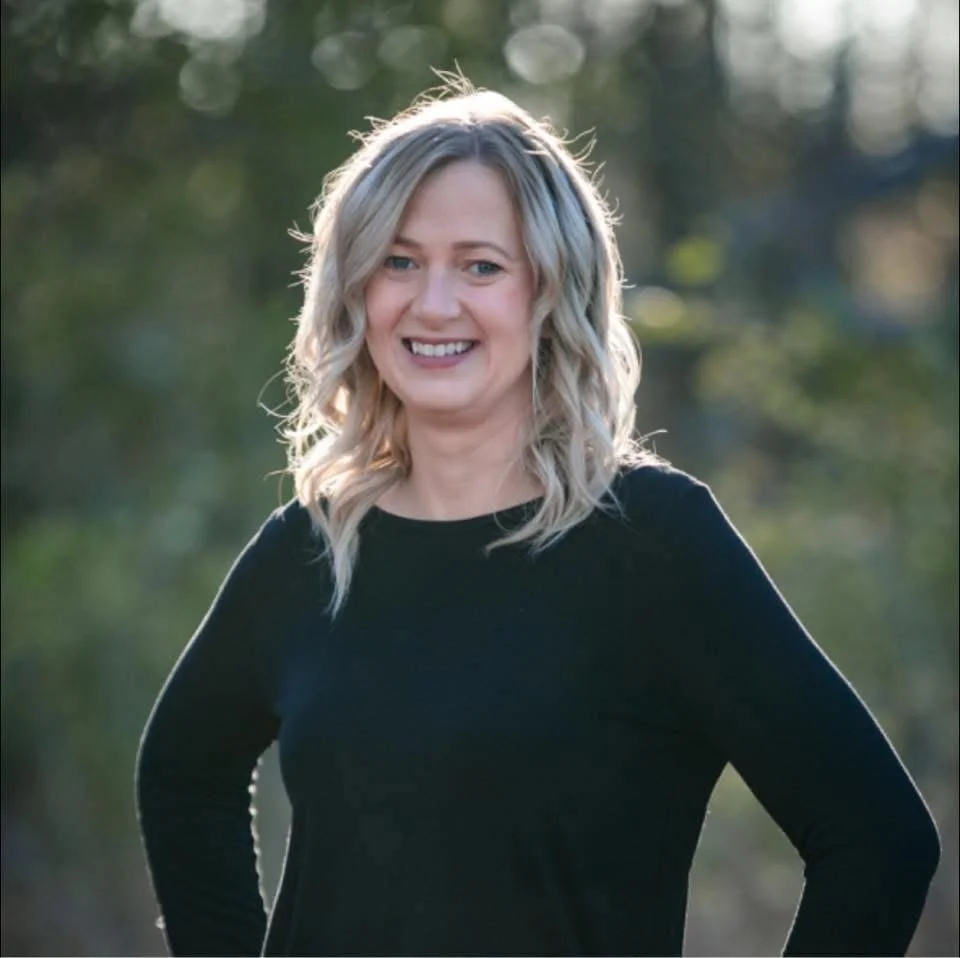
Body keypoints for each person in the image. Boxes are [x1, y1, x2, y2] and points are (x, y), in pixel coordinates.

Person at [136, 78, 940, 957]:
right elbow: (184, 774)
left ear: (551, 293)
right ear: (355, 290)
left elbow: (879, 843)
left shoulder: (655, 546)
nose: (432, 303)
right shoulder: (309, 551)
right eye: (398, 261)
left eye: (481, 265)